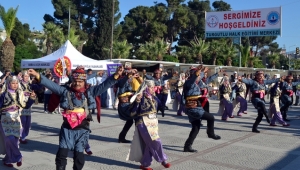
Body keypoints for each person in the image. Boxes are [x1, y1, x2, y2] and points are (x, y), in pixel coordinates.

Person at [27, 66, 125, 170]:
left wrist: (116, 75)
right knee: (61, 155)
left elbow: (105, 85)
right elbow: (51, 85)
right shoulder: (65, 91)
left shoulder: (90, 91)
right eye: (75, 81)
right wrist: (37, 75)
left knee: (79, 157)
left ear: (84, 81)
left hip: (82, 130)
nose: (77, 83)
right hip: (67, 129)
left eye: (80, 81)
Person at [127, 80, 171, 170]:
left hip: (153, 122)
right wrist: (137, 101)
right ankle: (162, 159)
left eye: (153, 87)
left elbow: (161, 105)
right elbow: (132, 112)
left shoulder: (154, 97)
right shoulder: (140, 97)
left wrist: (165, 92)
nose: (152, 89)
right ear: (146, 88)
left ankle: (145, 164)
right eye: (150, 87)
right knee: (156, 140)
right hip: (142, 122)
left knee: (149, 144)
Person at [182, 65, 221, 153]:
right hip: (193, 108)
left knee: (196, 127)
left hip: (195, 107)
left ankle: (187, 146)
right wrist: (198, 71)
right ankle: (210, 134)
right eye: (198, 75)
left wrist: (204, 71)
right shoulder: (189, 83)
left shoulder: (196, 83)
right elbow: (194, 77)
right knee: (211, 118)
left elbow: (203, 77)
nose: (200, 77)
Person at [0, 76, 36, 167]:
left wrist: (31, 98)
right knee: (9, 139)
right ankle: (18, 156)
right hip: (5, 119)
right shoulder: (3, 94)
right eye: (13, 83)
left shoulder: (20, 94)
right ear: (8, 84)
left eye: (16, 83)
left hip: (16, 119)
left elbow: (25, 106)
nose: (15, 85)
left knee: (15, 141)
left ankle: (8, 160)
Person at [115, 65, 141, 143]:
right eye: (128, 72)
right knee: (137, 117)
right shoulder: (121, 80)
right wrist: (129, 76)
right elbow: (122, 84)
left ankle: (121, 137)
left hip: (128, 103)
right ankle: (138, 138)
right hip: (124, 105)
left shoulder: (127, 80)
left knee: (130, 121)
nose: (130, 74)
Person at [19, 70, 41, 144]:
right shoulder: (18, 85)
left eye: (28, 76)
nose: (26, 77)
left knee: (27, 124)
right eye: (25, 76)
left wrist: (37, 78)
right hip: (20, 107)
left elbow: (40, 87)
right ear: (22, 77)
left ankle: (24, 136)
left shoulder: (30, 85)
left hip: (28, 106)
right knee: (22, 122)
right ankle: (21, 137)